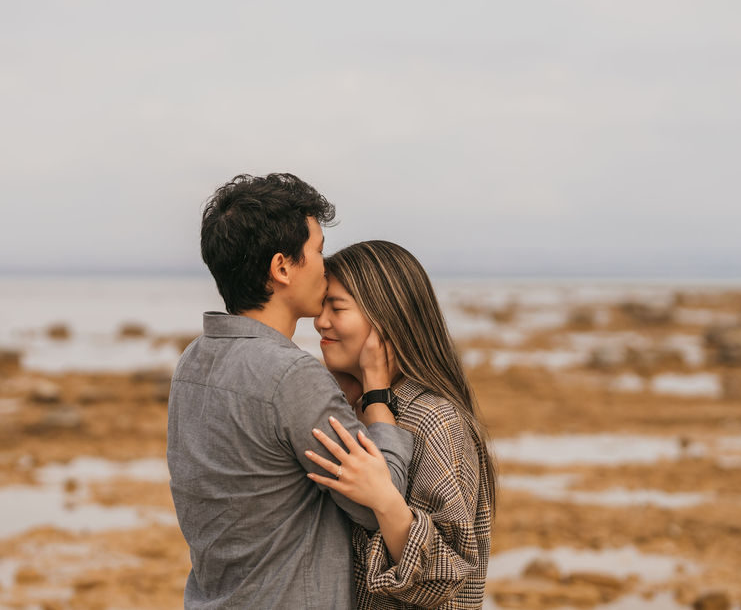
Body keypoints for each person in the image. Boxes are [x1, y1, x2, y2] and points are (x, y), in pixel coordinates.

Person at [167, 174, 415, 608]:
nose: (326, 263)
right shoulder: (292, 376)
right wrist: (376, 392)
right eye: (317, 251)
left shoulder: (192, 361)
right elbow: (380, 498)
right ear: (282, 267)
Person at [306, 240, 495, 609]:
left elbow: (447, 575)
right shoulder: (348, 406)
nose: (320, 321)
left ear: (385, 320)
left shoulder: (433, 419)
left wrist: (385, 500)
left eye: (337, 307)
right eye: (321, 304)